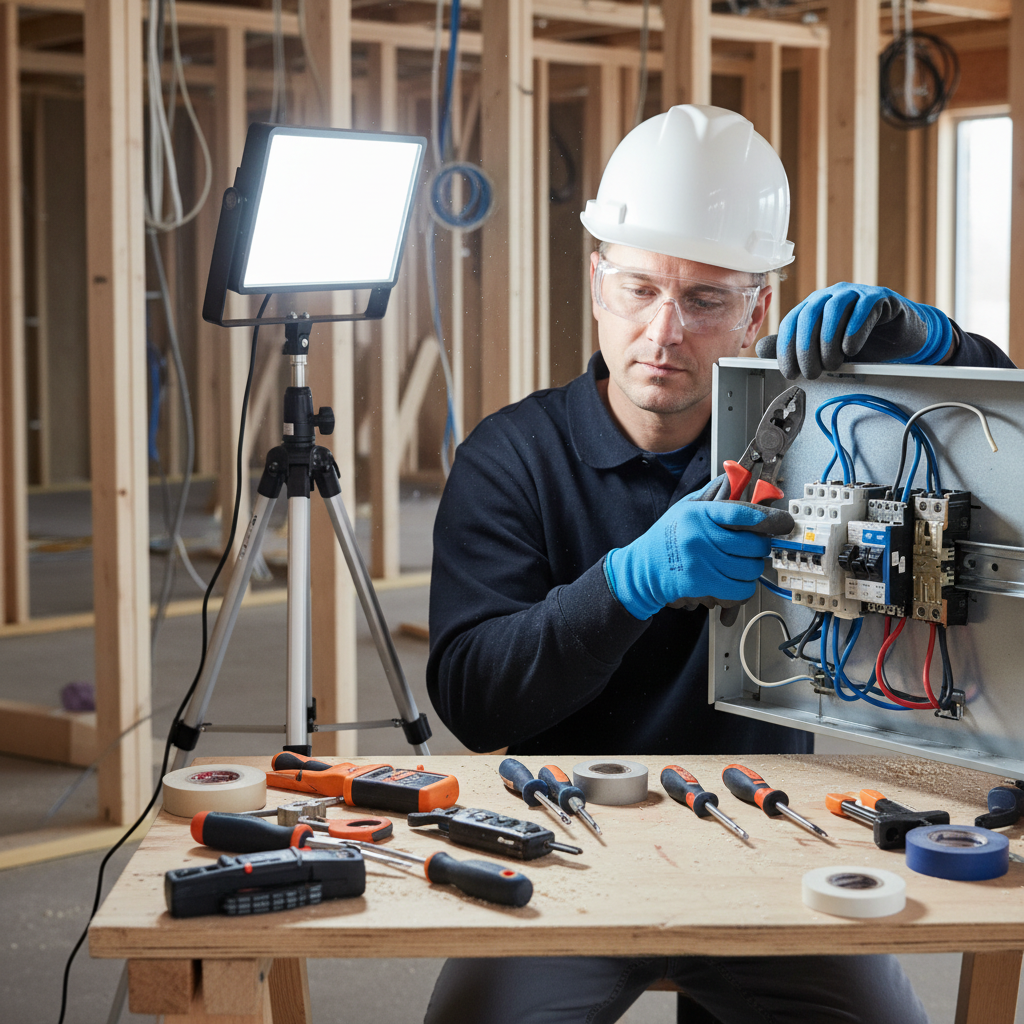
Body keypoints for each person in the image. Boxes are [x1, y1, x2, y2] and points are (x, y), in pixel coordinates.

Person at [423, 105, 1013, 1024]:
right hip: (567, 839)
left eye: (704, 301)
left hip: (771, 839)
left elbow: (998, 443)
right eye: (638, 289)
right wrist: (627, 584)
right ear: (596, 282)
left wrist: (945, 351)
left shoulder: (822, 441)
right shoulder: (511, 458)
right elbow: (471, 700)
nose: (663, 333)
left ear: (757, 311)